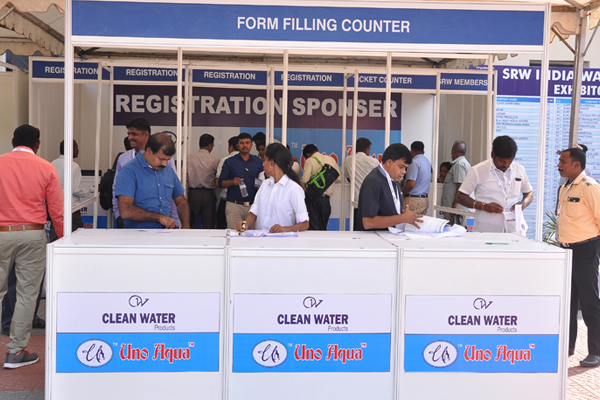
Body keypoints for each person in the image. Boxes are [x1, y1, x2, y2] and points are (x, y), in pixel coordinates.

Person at [0, 124, 64, 369]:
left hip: (1, 233)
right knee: (27, 294)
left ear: (12, 141)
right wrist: (62, 238)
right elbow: (57, 209)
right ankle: (16, 352)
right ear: (37, 144)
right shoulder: (45, 167)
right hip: (33, 234)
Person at [556, 147, 600, 368]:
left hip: (586, 250)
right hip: (566, 250)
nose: (559, 165)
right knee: (569, 301)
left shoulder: (589, 187)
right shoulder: (565, 186)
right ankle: (568, 346)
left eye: (563, 161)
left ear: (576, 164)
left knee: (590, 302)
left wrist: (595, 251)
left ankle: (596, 351)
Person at [112, 117, 181, 228]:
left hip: (162, 226)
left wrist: (176, 220)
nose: (130, 138)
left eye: (134, 134)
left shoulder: (167, 159)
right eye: (129, 134)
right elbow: (116, 188)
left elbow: (172, 192)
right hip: (132, 226)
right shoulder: (124, 159)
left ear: (146, 135)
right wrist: (118, 215)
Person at [456, 135, 533, 233]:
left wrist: (523, 204)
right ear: (492, 154)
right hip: (487, 230)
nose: (506, 164)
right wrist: (483, 206)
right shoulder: (477, 170)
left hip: (514, 229)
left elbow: (529, 193)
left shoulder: (519, 169)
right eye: (502, 161)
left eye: (509, 161)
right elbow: (460, 197)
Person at [236, 143, 309, 233]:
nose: (263, 164)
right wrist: (243, 225)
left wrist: (284, 229)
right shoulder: (265, 185)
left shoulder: (293, 188)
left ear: (272, 163)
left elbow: (304, 223)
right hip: (261, 239)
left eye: (264, 160)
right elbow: (253, 213)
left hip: (281, 239)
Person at [356, 143, 422, 231]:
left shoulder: (394, 180)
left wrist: (404, 215)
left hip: (391, 235)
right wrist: (402, 218)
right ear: (389, 162)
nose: (404, 172)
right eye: (401, 167)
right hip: (374, 238)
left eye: (406, 168)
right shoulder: (373, 181)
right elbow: (368, 222)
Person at [219, 132, 264, 229]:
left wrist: (260, 186)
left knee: (252, 235)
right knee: (235, 233)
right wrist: (232, 182)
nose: (244, 145)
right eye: (242, 143)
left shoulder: (258, 162)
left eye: (247, 143)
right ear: (237, 145)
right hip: (234, 206)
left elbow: (261, 180)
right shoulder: (229, 162)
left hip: (253, 206)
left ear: (251, 145)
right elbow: (221, 183)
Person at [50, 139, 89, 239]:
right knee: (75, 238)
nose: (78, 150)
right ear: (70, 149)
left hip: (56, 208)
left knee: (56, 237)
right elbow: (76, 190)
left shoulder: (52, 164)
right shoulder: (74, 166)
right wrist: (89, 191)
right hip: (71, 209)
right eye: (76, 147)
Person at [301, 144, 342, 230]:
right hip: (325, 200)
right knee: (323, 228)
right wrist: (326, 181)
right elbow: (339, 178)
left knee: (313, 228)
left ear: (308, 154)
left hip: (313, 199)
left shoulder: (310, 160)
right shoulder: (331, 159)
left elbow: (305, 180)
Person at [342, 137, 379, 229]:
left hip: (355, 201)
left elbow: (347, 176)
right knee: (370, 229)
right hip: (371, 201)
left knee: (357, 229)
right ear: (366, 149)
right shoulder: (373, 161)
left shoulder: (348, 160)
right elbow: (378, 179)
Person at [187, 134, 220, 229]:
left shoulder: (189, 158)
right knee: (209, 226)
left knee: (191, 223)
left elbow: (183, 177)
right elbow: (218, 179)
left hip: (193, 194)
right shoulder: (215, 160)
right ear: (210, 145)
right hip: (209, 195)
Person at [441, 140, 471, 226]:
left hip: (455, 209)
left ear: (454, 151)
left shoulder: (459, 164)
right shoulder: (464, 163)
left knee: (453, 231)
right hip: (457, 207)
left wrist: (455, 206)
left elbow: (460, 186)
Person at [402, 141, 432, 215]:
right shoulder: (427, 162)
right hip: (424, 200)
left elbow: (411, 184)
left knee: (408, 222)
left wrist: (402, 193)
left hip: (413, 200)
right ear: (423, 152)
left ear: (411, 151)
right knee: (420, 222)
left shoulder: (414, 162)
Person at [215, 136, 239, 229]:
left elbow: (217, 182)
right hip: (246, 203)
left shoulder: (225, 160)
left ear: (231, 147)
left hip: (227, 200)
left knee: (223, 228)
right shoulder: (250, 160)